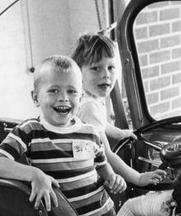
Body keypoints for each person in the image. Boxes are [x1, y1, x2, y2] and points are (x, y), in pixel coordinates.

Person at [0, 55, 127, 216]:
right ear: (35, 98)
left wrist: (114, 178)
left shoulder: (90, 132)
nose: (64, 98)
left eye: (72, 91)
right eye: (54, 91)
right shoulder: (30, 131)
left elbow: (102, 166)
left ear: (80, 97)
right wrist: (34, 174)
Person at [71, 33, 166, 187]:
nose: (106, 75)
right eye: (96, 68)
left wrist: (119, 133)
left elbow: (99, 124)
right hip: (83, 179)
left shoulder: (89, 97)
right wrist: (138, 178)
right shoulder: (89, 106)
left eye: (111, 67)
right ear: (78, 73)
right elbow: (106, 155)